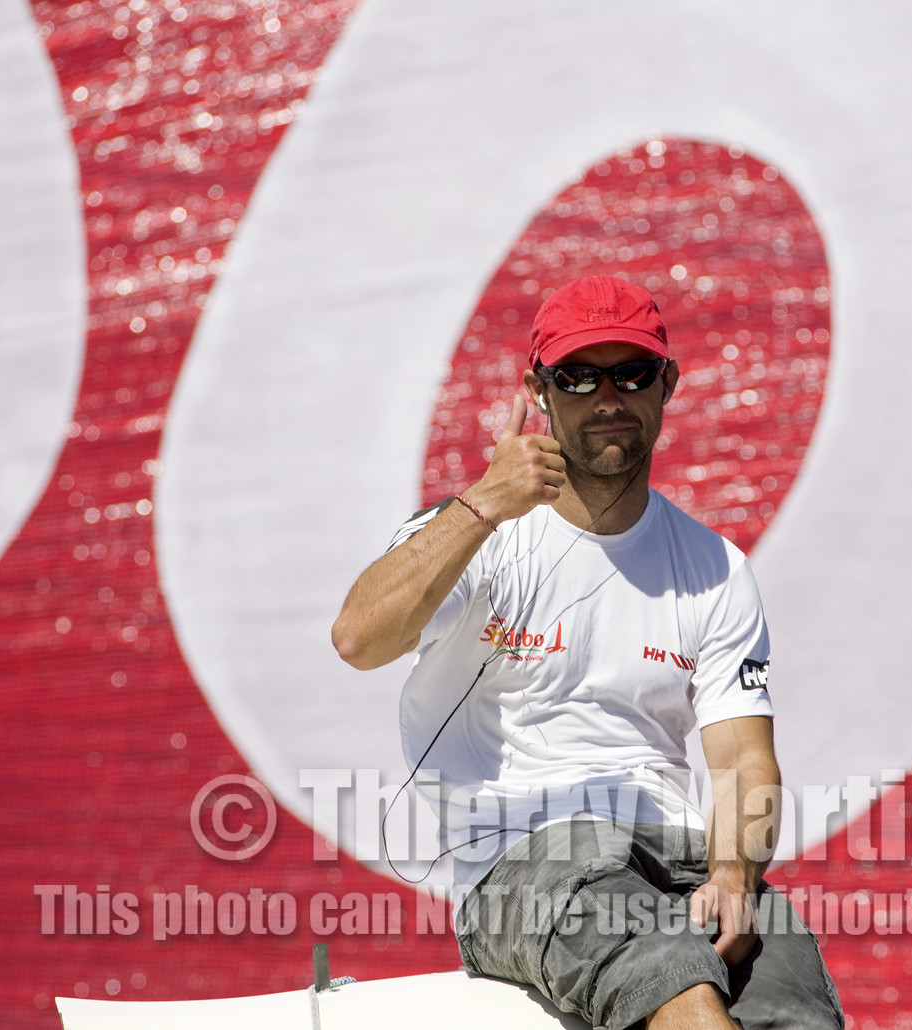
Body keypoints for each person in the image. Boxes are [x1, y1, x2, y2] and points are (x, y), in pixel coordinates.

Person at [332, 275, 842, 1029]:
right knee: (679, 987)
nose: (608, 398)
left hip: (679, 858)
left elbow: (742, 762)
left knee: (798, 1001)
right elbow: (357, 639)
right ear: (539, 390)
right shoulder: (478, 529)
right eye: (578, 376)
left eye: (631, 373)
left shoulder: (717, 569)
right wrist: (482, 504)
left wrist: (733, 874)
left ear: (666, 384)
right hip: (525, 863)